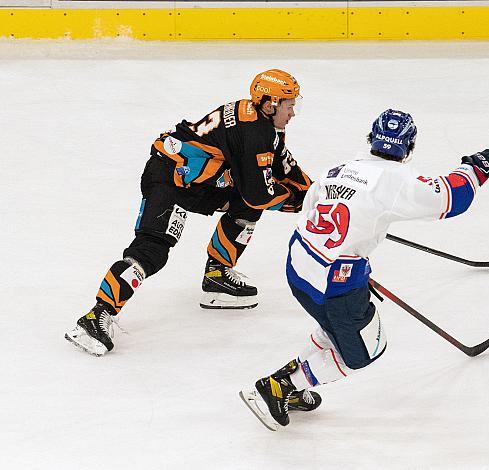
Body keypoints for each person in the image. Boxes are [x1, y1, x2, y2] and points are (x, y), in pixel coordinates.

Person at [240, 109, 489, 430]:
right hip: (337, 284)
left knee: (333, 331)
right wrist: (479, 166)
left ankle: (291, 385)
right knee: (363, 351)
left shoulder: (338, 170)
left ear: (371, 139)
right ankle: (279, 388)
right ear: (409, 147)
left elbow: (312, 214)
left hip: (299, 269)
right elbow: (451, 198)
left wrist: (354, 258)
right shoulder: (395, 179)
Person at [65, 69, 313, 358]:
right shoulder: (257, 132)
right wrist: (302, 203)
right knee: (152, 250)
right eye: (289, 105)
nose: (293, 112)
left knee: (245, 205)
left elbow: (283, 164)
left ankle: (217, 275)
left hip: (194, 180)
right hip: (170, 180)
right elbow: (260, 193)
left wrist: (316, 192)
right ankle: (96, 316)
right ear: (270, 104)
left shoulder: (257, 119)